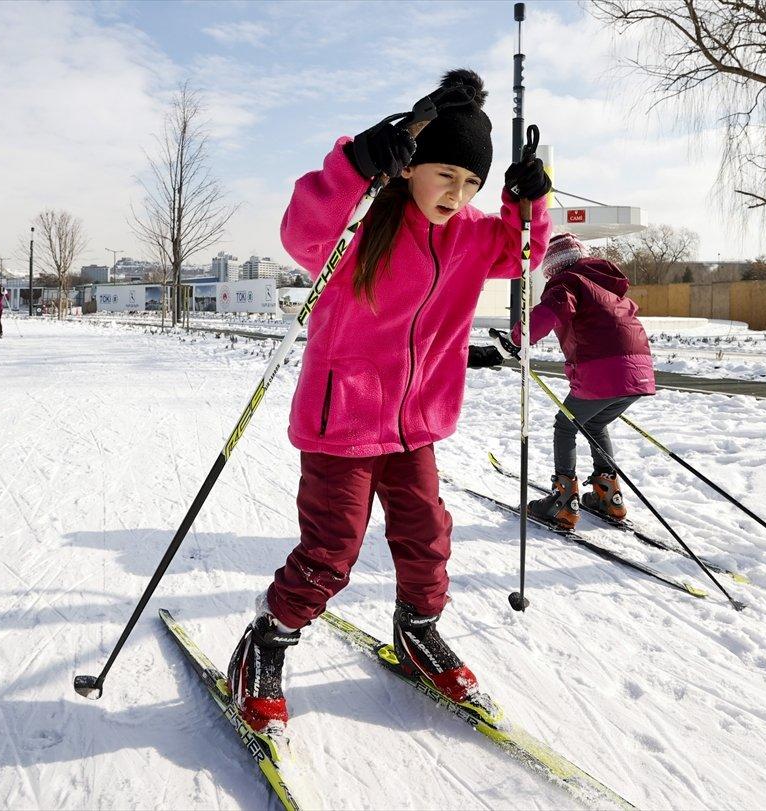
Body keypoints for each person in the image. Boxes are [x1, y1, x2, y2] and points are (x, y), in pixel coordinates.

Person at [228, 69, 552, 736]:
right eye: (445, 177)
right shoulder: (360, 227)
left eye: (471, 185)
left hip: (415, 425)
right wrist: (355, 164)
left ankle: (418, 630)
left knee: (427, 536)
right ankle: (267, 641)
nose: (457, 195)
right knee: (332, 550)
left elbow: (524, 253)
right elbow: (301, 230)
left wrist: (528, 204)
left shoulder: (468, 236)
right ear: (411, 170)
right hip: (340, 423)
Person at [502, 233, 656, 530]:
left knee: (565, 425)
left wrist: (518, 338)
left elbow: (551, 312)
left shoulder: (567, 282)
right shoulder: (607, 287)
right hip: (640, 372)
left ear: (554, 266)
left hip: (603, 370)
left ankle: (563, 503)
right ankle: (607, 494)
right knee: (595, 424)